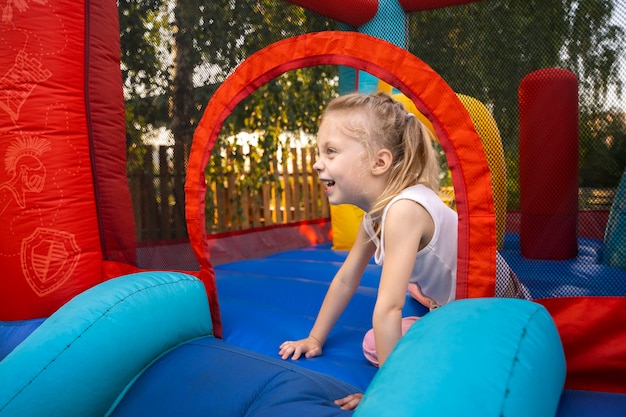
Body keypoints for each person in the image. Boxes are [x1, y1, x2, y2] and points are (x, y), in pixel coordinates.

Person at [278, 92, 458, 410]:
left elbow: (388, 309)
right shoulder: (376, 215)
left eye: (331, 152)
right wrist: (315, 338)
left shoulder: (404, 210)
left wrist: (388, 393)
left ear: (379, 162)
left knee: (381, 338)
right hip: (451, 304)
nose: (318, 162)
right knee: (376, 342)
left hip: (492, 309)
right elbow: (347, 278)